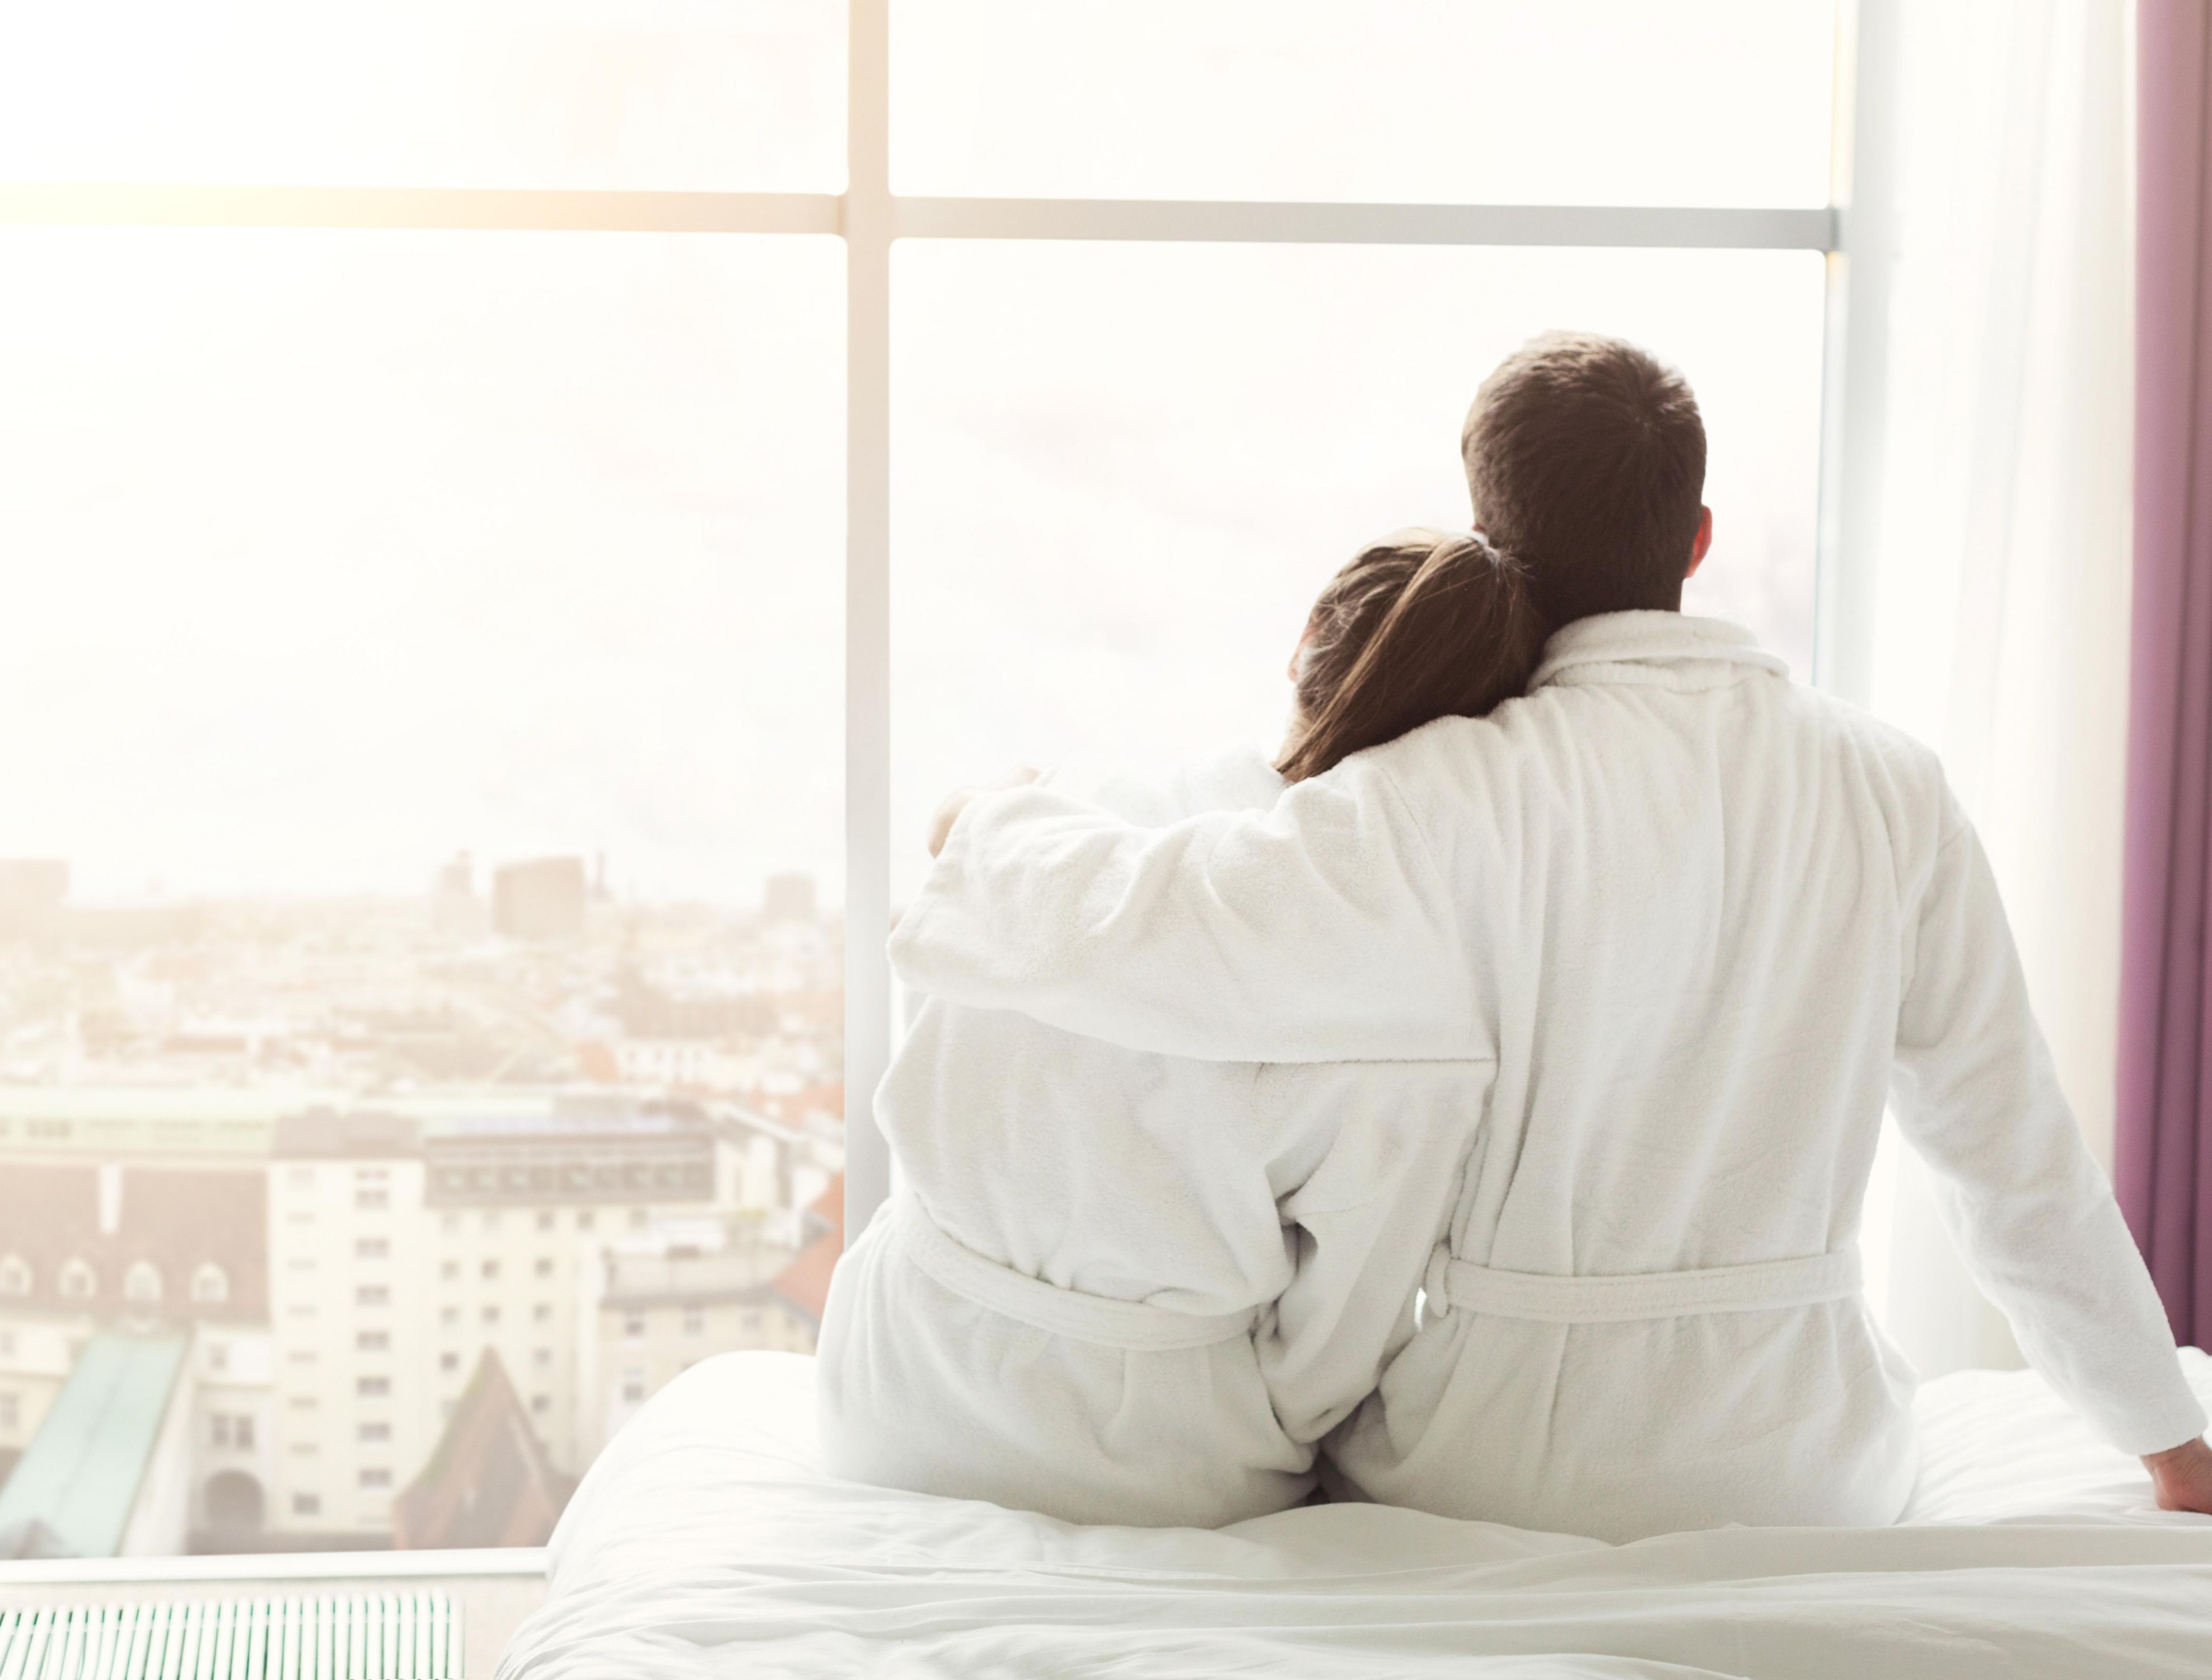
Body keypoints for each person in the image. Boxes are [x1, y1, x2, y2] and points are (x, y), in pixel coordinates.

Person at [895, 332, 2212, 1543]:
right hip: (1810, 1467)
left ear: (1487, 533)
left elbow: (1156, 924)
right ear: (1694, 540)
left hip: (1494, 1470)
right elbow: (2010, 1152)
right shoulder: (1889, 786)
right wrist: (2163, 1431)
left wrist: (987, 835)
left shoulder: (1443, 794)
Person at [816, 534, 1541, 1527]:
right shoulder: (1414, 1001)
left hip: (891, 1376)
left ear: (1307, 642)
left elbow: (939, 1021)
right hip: (1153, 1457)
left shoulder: (1074, 806)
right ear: (1472, 739)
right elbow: (1336, 1343)